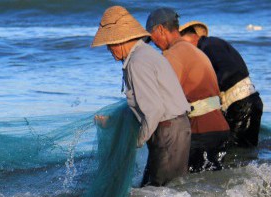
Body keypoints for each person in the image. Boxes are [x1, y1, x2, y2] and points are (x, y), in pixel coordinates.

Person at [92, 6, 191, 186]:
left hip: (168, 131)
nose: (108, 50)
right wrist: (113, 121)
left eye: (109, 45)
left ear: (119, 41)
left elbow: (153, 110)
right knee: (162, 190)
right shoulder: (144, 54)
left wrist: (135, 142)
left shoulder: (137, 62)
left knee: (161, 193)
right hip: (173, 128)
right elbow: (144, 105)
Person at [146, 8, 231, 172]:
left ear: (161, 30)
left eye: (152, 38)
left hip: (202, 131)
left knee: (185, 187)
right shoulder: (195, 50)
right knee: (211, 187)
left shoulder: (172, 55)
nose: (154, 44)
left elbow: (161, 97)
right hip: (220, 128)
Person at [179, 21, 263, 148]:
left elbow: (228, 72)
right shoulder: (214, 43)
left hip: (241, 105)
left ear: (191, 37)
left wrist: (210, 91)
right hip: (249, 101)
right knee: (246, 150)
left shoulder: (208, 46)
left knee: (235, 151)